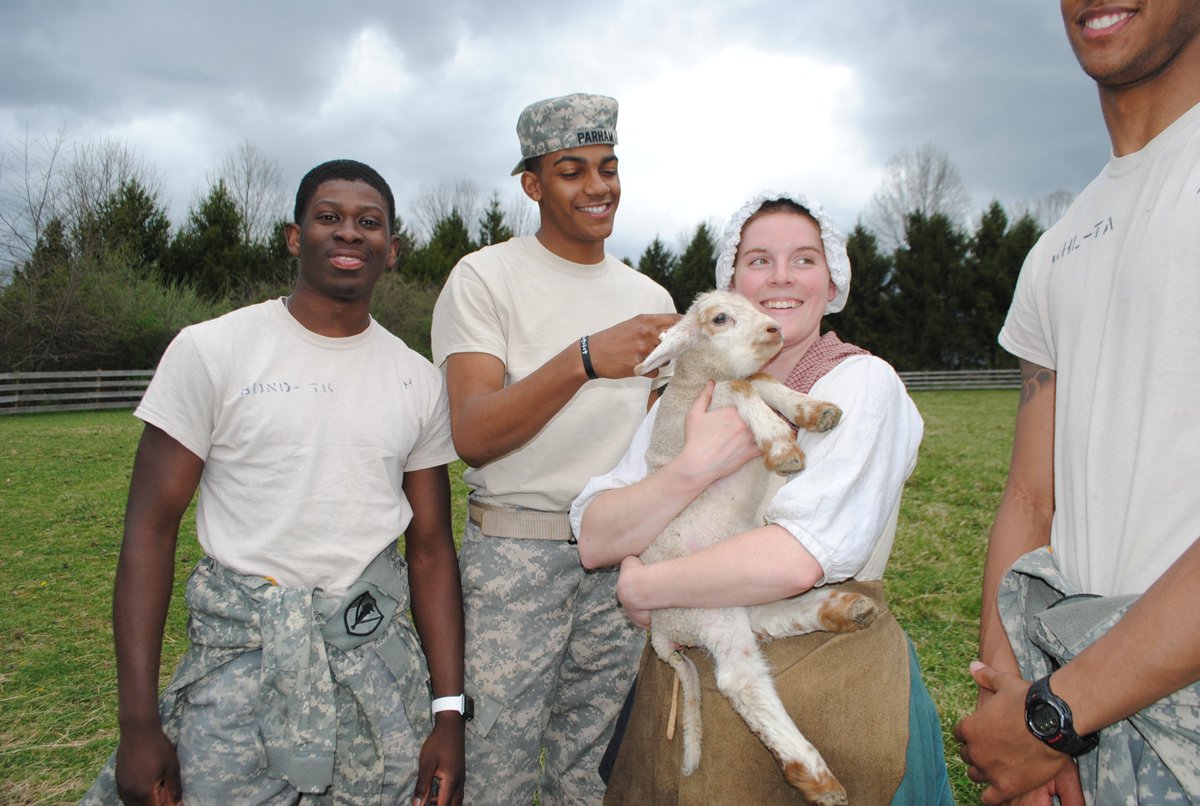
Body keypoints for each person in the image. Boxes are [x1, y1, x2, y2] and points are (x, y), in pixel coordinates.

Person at [82, 159, 467, 806]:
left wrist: (448, 714)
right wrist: (138, 726)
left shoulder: (417, 380)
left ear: (392, 250)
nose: (349, 233)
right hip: (241, 674)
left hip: (376, 670)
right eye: (329, 217)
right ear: (295, 237)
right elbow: (149, 531)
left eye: (368, 223)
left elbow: (430, 549)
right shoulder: (214, 351)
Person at [571, 192, 954, 804]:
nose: (780, 277)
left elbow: (798, 558)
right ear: (731, 285)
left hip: (829, 681)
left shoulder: (861, 383)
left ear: (833, 284)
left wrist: (644, 587)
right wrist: (691, 469)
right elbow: (594, 536)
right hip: (682, 697)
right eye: (758, 260)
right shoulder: (689, 395)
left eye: (804, 259)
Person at [953, 2, 1200, 804]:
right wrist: (1011, 705)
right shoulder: (1056, 251)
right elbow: (1031, 494)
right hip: (1078, 734)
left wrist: (1053, 717)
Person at [429, 93, 678, 805]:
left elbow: (658, 446)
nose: (598, 187)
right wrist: (585, 358)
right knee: (492, 777)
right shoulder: (485, 279)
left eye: (608, 167)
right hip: (515, 559)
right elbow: (472, 434)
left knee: (596, 775)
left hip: (617, 560)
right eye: (572, 171)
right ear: (533, 185)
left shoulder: (648, 294)